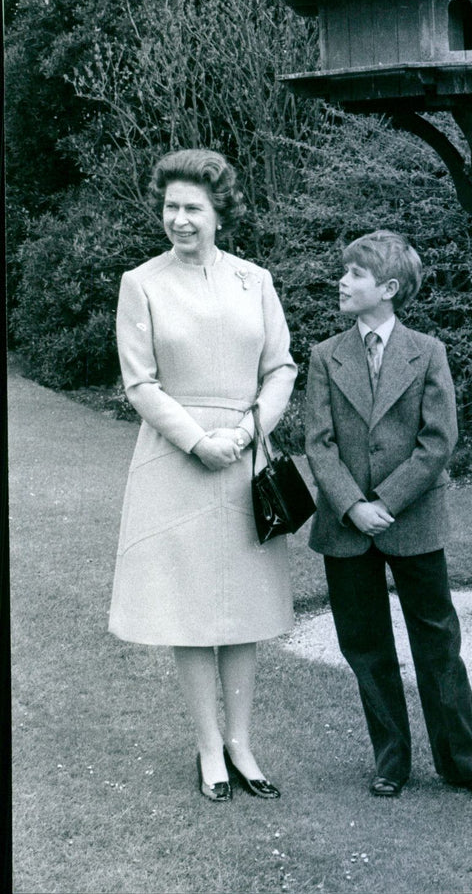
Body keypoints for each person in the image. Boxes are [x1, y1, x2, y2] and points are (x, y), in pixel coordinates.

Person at [109, 149, 298, 803]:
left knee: (243, 608)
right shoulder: (143, 282)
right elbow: (139, 382)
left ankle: (242, 740)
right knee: (189, 606)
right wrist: (195, 440)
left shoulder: (256, 280)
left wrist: (246, 433)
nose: (180, 219)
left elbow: (281, 369)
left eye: (193, 207)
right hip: (176, 461)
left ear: (220, 211)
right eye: (171, 207)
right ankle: (208, 743)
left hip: (246, 460)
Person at [304, 230, 472, 802]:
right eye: (343, 273)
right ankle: (391, 759)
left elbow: (438, 442)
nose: (342, 282)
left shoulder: (428, 351)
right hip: (345, 528)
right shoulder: (325, 356)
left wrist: (384, 504)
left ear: (388, 289)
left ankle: (465, 763)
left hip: (410, 520)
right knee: (365, 645)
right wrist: (352, 506)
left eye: (355, 275)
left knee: (438, 643)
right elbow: (317, 443)